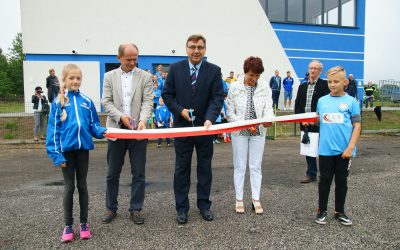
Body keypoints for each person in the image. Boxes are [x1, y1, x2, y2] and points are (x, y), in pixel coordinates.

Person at [162, 34, 224, 224]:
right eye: (192, 47)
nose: (196, 50)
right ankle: (182, 208)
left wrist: (210, 118)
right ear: (186, 48)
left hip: (205, 129)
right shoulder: (175, 69)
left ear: (205, 49)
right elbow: (167, 94)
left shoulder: (214, 71)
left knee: (205, 168)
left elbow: (217, 97)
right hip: (182, 129)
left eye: (200, 47)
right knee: (182, 169)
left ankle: (204, 205)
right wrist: (180, 111)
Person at [46, 64, 107, 243]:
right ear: (64, 80)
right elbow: (53, 131)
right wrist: (56, 155)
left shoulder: (87, 102)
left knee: (82, 186)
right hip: (66, 153)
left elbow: (93, 125)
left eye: (78, 78)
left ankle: (84, 224)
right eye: (71, 78)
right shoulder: (58, 104)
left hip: (82, 152)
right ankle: (67, 225)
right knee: (69, 187)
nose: (75, 81)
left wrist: (103, 131)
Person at [101, 43, 153, 225]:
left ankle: (136, 208)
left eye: (135, 58)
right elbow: (106, 102)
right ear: (119, 58)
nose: (133, 62)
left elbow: (148, 102)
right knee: (112, 172)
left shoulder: (145, 76)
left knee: (138, 173)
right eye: (129, 59)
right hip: (116, 130)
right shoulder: (109, 77)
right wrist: (121, 117)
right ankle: (110, 207)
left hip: (138, 131)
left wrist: (143, 120)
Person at [226, 56, 274, 215]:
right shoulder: (234, 86)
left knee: (255, 166)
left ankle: (256, 199)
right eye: (251, 75)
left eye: (257, 76)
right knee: (240, 166)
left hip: (259, 131)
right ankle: (239, 199)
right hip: (239, 131)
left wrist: (268, 120)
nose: (254, 79)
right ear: (245, 72)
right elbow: (230, 112)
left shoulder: (265, 86)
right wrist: (245, 123)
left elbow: (268, 107)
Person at [315, 66, 361, 226]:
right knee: (324, 180)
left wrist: (350, 147)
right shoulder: (321, 101)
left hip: (344, 151)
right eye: (329, 82)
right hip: (325, 150)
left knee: (341, 181)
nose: (332, 84)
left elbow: (357, 126)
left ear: (345, 82)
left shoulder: (351, 102)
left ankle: (339, 211)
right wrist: (311, 121)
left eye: (336, 81)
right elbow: (319, 120)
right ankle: (321, 211)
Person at [294, 60, 330, 183]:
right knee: (308, 149)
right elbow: (297, 105)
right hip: (305, 124)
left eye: (316, 68)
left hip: (321, 123)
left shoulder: (325, 86)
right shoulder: (302, 86)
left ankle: (326, 173)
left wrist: (319, 119)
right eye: (311, 68)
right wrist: (301, 119)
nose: (313, 70)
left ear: (320, 71)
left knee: (324, 149)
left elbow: (327, 104)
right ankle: (311, 174)